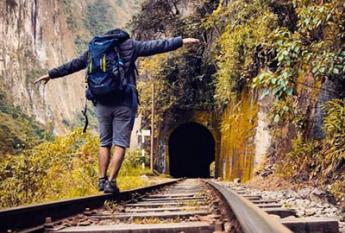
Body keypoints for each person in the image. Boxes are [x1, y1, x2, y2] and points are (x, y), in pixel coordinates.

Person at [34, 29, 199, 193]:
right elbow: (156, 46)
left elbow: (73, 65)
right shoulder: (130, 46)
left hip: (102, 103)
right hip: (124, 102)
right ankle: (111, 182)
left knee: (104, 142)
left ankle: (101, 180)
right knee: (120, 143)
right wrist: (181, 41)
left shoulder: (95, 50)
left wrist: (51, 74)